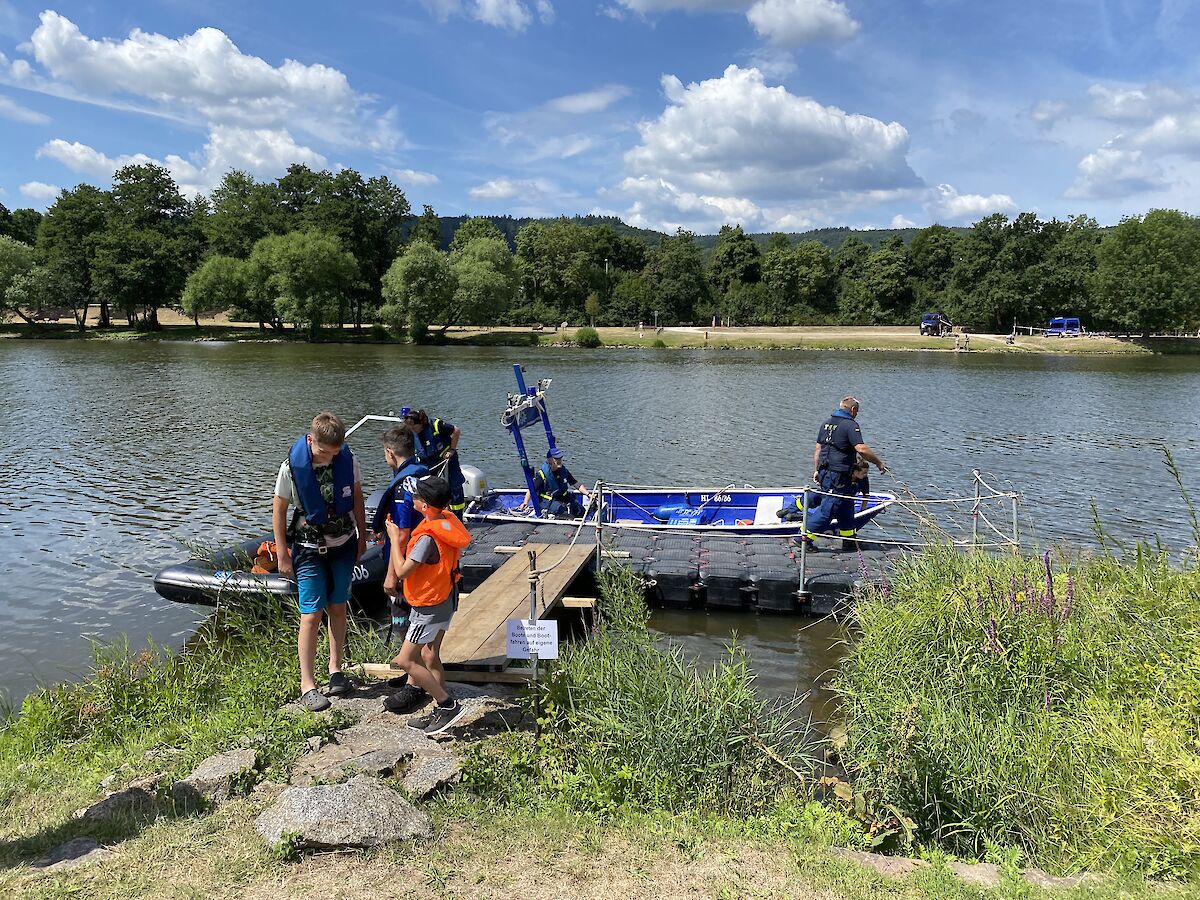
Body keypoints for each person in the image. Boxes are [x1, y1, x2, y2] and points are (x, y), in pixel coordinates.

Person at [273, 412, 367, 712]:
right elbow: (279, 511)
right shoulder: (291, 467)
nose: (329, 457)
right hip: (308, 548)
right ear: (311, 440)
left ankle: (336, 669)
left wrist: (363, 537)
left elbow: (357, 500)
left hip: (343, 545)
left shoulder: (347, 461)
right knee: (311, 615)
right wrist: (283, 552)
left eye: (335, 452)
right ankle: (308, 685)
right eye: (324, 451)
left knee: (338, 608)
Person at [382, 475, 472, 735]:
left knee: (406, 660)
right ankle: (439, 710)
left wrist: (396, 539)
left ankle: (447, 705)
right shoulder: (445, 521)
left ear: (424, 505)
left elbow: (401, 571)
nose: (412, 498)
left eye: (416, 496)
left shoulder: (425, 539)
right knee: (430, 655)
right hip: (446, 599)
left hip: (429, 606)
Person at [805, 397, 887, 551]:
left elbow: (818, 449)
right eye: (857, 411)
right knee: (828, 509)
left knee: (846, 505)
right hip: (837, 475)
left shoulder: (826, 423)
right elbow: (861, 449)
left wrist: (816, 470)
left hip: (829, 472)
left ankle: (849, 539)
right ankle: (803, 538)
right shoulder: (850, 425)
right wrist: (878, 463)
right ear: (853, 410)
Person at [403, 409, 466, 514]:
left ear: (420, 423)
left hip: (447, 459)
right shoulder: (412, 431)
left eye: (414, 427)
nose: (412, 430)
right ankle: (434, 514)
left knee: (455, 486)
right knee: (429, 488)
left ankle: (457, 517)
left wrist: (452, 450)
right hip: (428, 461)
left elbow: (456, 431)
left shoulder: (436, 425)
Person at [522, 447, 591, 517]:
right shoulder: (542, 474)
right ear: (550, 460)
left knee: (581, 511)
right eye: (556, 459)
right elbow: (531, 490)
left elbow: (576, 484)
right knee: (565, 514)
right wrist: (525, 502)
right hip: (549, 502)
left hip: (564, 498)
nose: (559, 461)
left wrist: (588, 494)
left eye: (560, 459)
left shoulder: (563, 471)